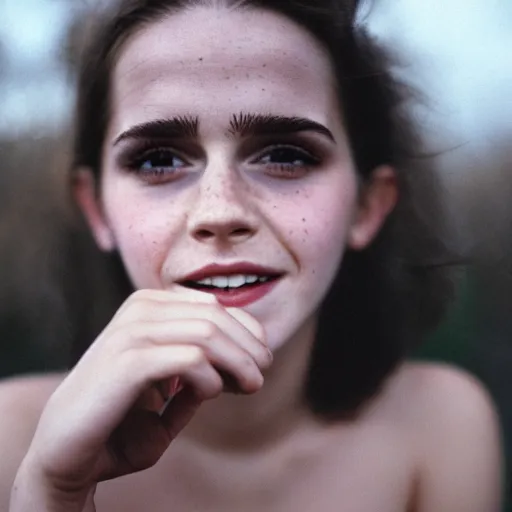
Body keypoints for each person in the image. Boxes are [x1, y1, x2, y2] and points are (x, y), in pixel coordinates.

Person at [0, 0, 502, 510]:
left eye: (285, 155)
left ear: (366, 205)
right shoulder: (14, 444)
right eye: (158, 159)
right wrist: (50, 494)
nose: (219, 211)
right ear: (98, 209)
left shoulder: (440, 425)